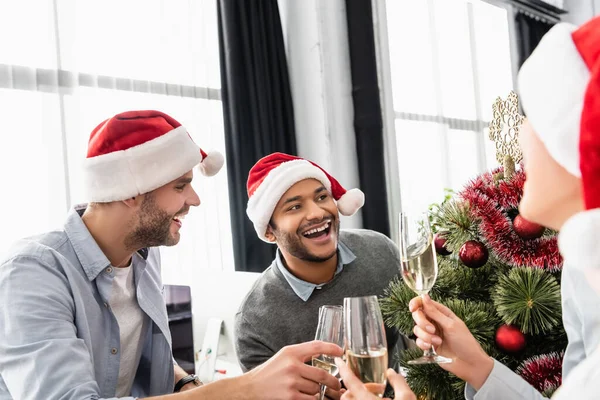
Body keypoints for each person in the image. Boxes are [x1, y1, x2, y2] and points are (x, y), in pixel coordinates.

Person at [0, 111, 342, 400]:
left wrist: (184, 381)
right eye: (181, 185)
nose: (193, 200)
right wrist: (244, 387)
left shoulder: (144, 256)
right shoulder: (31, 273)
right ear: (131, 192)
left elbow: (125, 354)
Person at [409, 15, 600, 400]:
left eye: (537, 118)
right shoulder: (585, 270)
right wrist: (477, 366)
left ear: (583, 141)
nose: (522, 132)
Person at [235, 152, 413, 398]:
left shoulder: (380, 250)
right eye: (295, 206)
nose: (317, 213)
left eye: (322, 197)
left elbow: (419, 335)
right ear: (269, 232)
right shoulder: (254, 322)